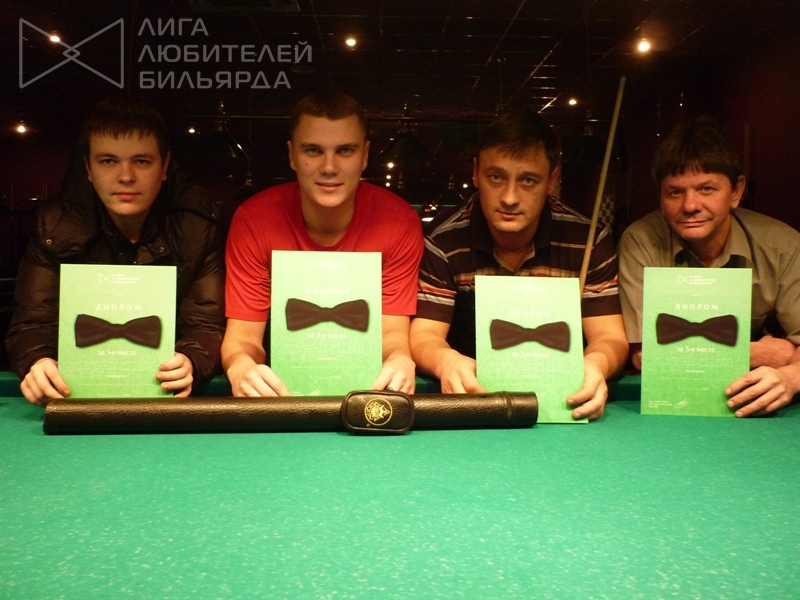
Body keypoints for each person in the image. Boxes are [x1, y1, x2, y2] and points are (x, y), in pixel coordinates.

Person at [410, 106, 628, 421]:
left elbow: (610, 337)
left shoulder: (589, 240)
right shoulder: (444, 241)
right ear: (476, 173)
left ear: (552, 180)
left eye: (528, 180)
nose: (509, 198)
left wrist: (597, 364)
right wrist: (446, 362)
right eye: (496, 177)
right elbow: (424, 335)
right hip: (474, 402)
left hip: (562, 401)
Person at [5, 96, 226, 405]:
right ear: (88, 167)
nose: (126, 176)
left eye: (141, 161)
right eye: (108, 161)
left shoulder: (197, 228)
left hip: (164, 393)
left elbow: (206, 324)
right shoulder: (54, 226)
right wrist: (37, 361)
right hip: (76, 395)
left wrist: (191, 360)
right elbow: (33, 323)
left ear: (164, 166)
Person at [222, 91, 423, 396]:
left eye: (345, 150)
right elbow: (243, 337)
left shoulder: (399, 221)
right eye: (313, 150)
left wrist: (400, 359)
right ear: (292, 155)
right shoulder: (253, 220)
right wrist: (240, 365)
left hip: (365, 392)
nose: (329, 167)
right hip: (282, 391)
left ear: (365, 155)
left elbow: (392, 334)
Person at [618, 116, 800, 417]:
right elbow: (645, 356)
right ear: (660, 197)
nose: (690, 205)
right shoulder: (640, 241)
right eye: (675, 192)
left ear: (736, 191)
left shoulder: (784, 246)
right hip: (670, 401)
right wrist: (759, 353)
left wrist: (791, 376)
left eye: (706, 189)